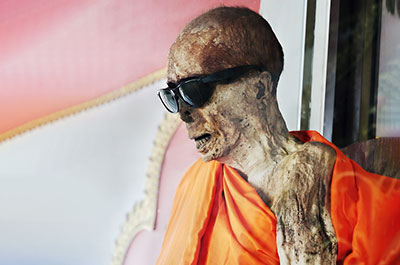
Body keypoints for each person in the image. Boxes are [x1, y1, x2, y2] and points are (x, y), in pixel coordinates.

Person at [156, 6, 400, 265]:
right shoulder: (196, 183)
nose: (183, 113)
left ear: (260, 88)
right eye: (173, 96)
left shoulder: (361, 199)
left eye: (195, 90)